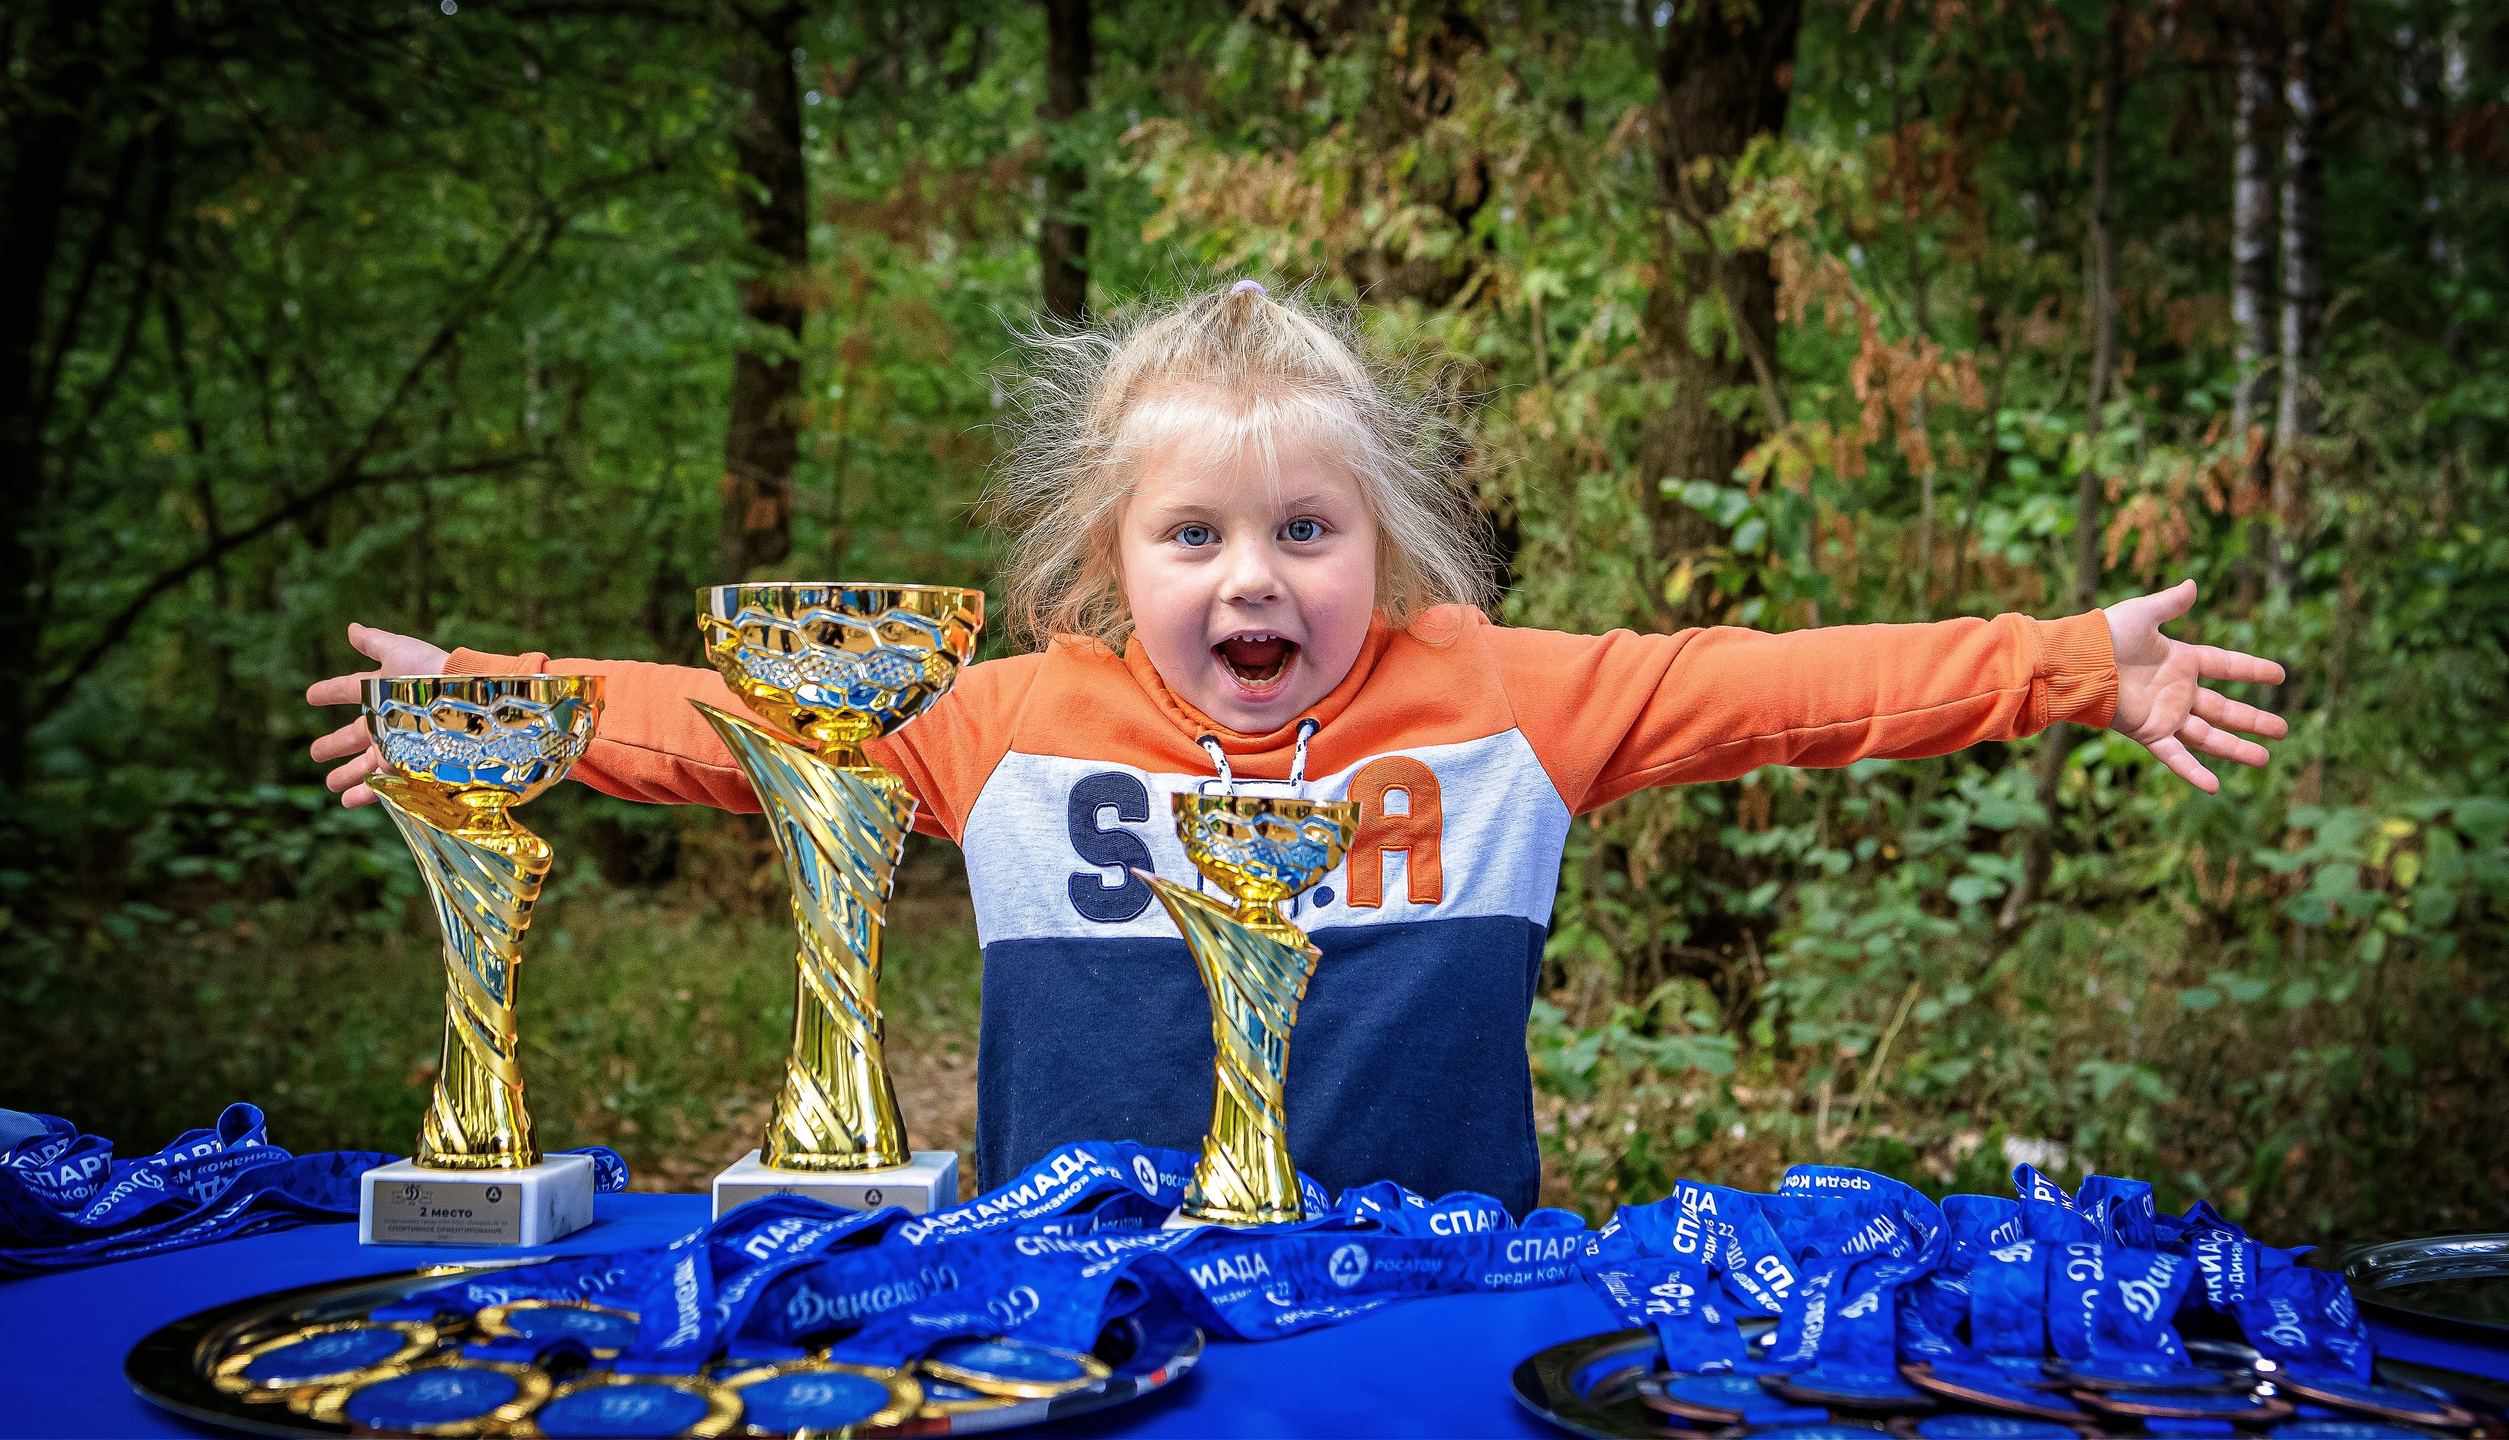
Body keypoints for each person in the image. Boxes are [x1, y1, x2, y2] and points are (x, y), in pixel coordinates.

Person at [306, 280, 2288, 1217]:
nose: (1250, 576)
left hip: (1426, 1297)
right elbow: (735, 730)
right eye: (1193, 537)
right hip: (1063, 1300)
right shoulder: (998, 723)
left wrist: (2060, 661)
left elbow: (1775, 686)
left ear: (1385, 549)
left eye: (1301, 531)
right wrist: (486, 703)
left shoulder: (1506, 703)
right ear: (1103, 566)